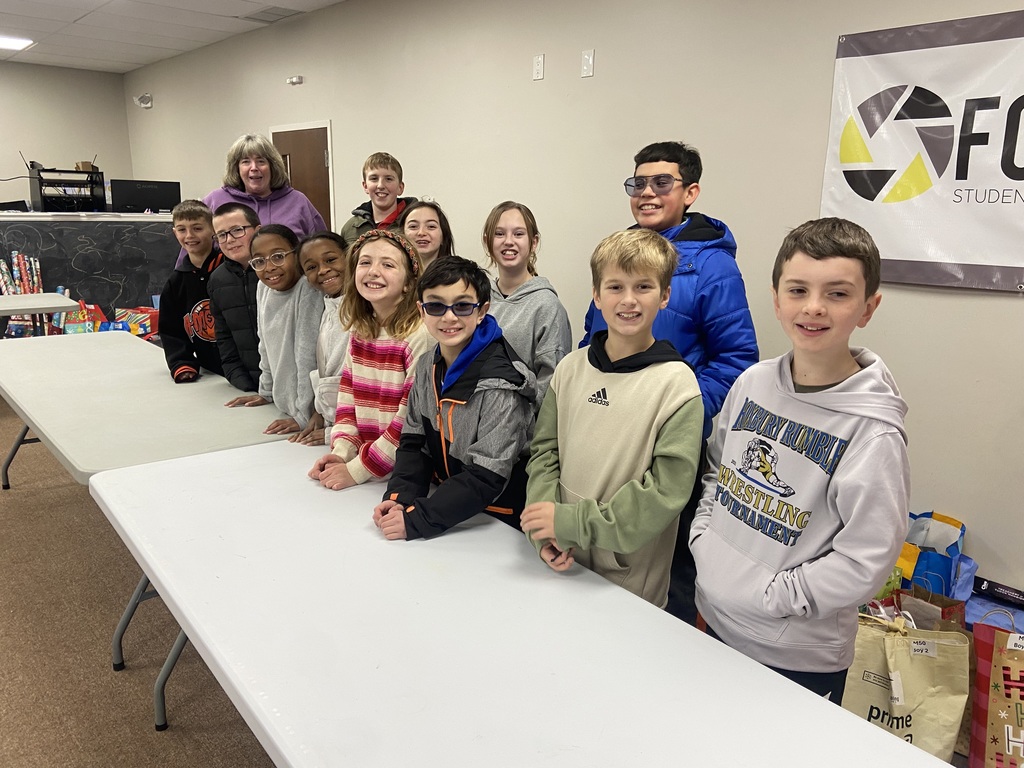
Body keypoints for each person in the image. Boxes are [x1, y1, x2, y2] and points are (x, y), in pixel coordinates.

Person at [689, 217, 909, 702]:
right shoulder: (752, 383)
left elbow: (866, 559)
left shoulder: (873, 432)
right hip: (712, 614)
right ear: (776, 298)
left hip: (794, 656)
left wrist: (775, 596)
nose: (813, 308)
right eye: (798, 290)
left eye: (837, 293)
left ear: (868, 308)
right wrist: (705, 539)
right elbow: (716, 470)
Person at [582, 140, 760, 625]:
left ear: (691, 192)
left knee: (666, 560)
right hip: (605, 428)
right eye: (637, 183)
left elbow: (737, 357)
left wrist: (676, 414)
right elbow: (590, 337)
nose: (647, 192)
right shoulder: (622, 252)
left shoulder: (713, 266)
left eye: (662, 182)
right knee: (603, 541)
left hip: (668, 438)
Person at [520, 229, 704, 608]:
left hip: (628, 580)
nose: (629, 300)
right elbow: (544, 453)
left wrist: (573, 524)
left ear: (665, 296)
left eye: (644, 287)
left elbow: (665, 494)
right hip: (561, 553)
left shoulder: (678, 387)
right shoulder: (570, 369)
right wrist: (546, 527)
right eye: (616, 287)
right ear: (597, 295)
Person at [373, 256, 535, 541]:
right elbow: (414, 442)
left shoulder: (502, 383)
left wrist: (418, 519)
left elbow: (488, 475)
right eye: (436, 306)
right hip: (451, 507)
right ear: (421, 310)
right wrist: (401, 496)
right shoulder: (426, 366)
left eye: (462, 306)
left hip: (500, 520)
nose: (449, 317)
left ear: (482, 310)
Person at [308, 229, 434, 490]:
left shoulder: (419, 336)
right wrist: (341, 453)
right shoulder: (360, 331)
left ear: (409, 282)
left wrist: (356, 471)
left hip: (407, 474)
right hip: (371, 470)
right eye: (365, 262)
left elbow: (409, 423)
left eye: (387, 264)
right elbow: (347, 403)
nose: (373, 271)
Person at [178, 134, 327, 268]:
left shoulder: (297, 201)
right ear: (236, 168)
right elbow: (191, 248)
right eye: (246, 162)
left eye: (261, 161)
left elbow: (320, 248)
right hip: (226, 289)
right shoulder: (215, 201)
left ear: (272, 166)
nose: (254, 168)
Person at [226, 225, 321, 435]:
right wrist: (266, 391)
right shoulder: (264, 288)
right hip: (284, 407)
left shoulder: (308, 289)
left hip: (310, 412)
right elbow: (265, 344)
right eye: (259, 261)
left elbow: (307, 358)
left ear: (296, 254)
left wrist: (304, 415)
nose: (269, 267)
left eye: (278, 256)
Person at [482, 201, 571, 409]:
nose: (509, 242)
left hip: (522, 434)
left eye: (518, 234)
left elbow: (551, 387)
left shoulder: (547, 306)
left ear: (534, 242)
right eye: (499, 234)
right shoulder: (478, 299)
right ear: (488, 242)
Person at [290, 231, 349, 446]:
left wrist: (338, 433)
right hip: (336, 426)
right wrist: (319, 411)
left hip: (355, 433)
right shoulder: (329, 308)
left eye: (331, 260)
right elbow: (327, 371)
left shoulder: (366, 311)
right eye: (311, 267)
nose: (323, 270)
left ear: (349, 256)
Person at [158, 200, 224, 382]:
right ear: (174, 233)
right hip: (209, 373)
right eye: (181, 229)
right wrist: (181, 363)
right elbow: (171, 331)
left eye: (197, 228)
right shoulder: (175, 283)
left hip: (244, 367)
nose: (189, 236)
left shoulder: (231, 271)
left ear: (213, 230)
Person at [209, 202, 261, 393]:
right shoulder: (217, 280)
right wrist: (238, 378)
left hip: (289, 386)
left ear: (258, 230)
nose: (229, 239)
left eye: (237, 230)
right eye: (221, 235)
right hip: (247, 385)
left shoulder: (277, 272)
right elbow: (224, 337)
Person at [339, 152, 417, 244]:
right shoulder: (351, 228)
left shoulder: (415, 223)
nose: (380, 185)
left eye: (388, 179)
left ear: (400, 187)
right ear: (365, 186)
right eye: (374, 178)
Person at [397, 199, 455, 271]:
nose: (421, 233)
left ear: (443, 236)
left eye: (431, 226)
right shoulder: (389, 275)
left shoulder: (458, 278)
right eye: (413, 226)